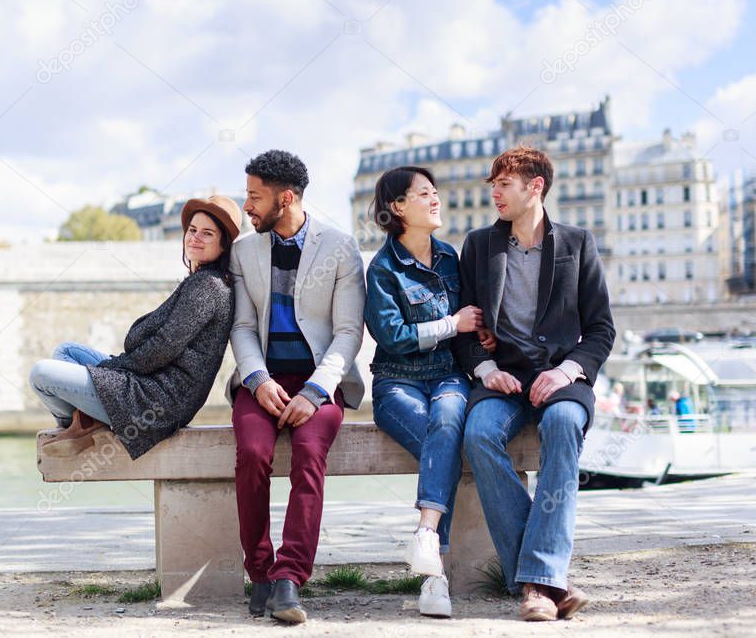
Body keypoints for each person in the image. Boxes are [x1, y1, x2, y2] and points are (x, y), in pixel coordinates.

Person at [454, 146, 615, 622]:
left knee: (564, 423)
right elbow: (466, 329)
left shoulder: (577, 243)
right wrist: (485, 371)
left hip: (561, 377)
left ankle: (535, 583)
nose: (495, 193)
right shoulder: (479, 245)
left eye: (504, 184)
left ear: (535, 187)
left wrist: (566, 372)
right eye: (494, 185)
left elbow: (602, 329)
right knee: (479, 434)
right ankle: (545, 578)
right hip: (501, 376)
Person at [228, 150, 365, 624]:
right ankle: (261, 572)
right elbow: (242, 327)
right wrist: (257, 378)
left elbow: (349, 332)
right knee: (252, 454)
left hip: (320, 383)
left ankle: (290, 579)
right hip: (260, 380)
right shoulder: (244, 251)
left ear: (284, 198)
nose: (246, 205)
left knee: (309, 455)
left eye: (254, 196)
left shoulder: (341, 248)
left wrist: (314, 391)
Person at [363, 165, 496, 617]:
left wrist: (483, 336)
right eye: (424, 193)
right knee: (443, 446)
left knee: (445, 425)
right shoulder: (382, 269)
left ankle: (428, 553)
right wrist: (450, 324)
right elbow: (392, 335)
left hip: (448, 377)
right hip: (396, 381)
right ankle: (434, 576)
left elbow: (468, 323)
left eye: (435, 191)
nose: (436, 198)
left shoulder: (449, 258)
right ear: (398, 207)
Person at [29, 195, 241, 459]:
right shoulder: (202, 280)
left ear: (223, 245)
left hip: (157, 403)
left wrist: (108, 370)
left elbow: (164, 346)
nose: (194, 237)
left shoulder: (208, 287)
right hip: (149, 381)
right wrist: (110, 370)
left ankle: (82, 428)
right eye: (192, 230)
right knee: (67, 352)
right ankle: (87, 423)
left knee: (40, 374)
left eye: (207, 233)